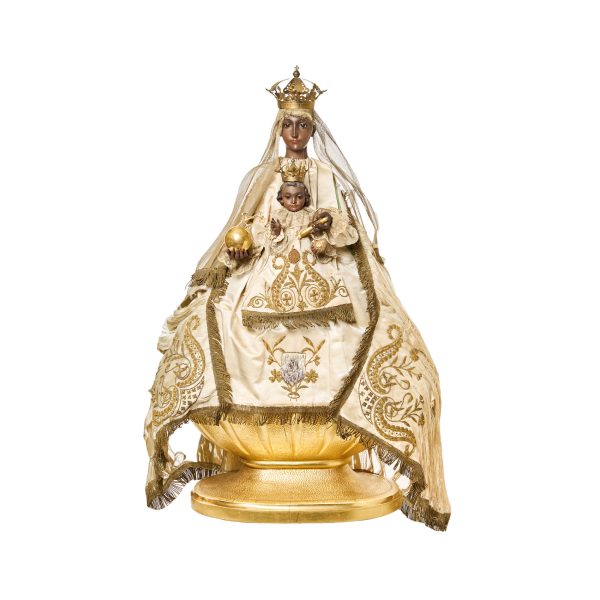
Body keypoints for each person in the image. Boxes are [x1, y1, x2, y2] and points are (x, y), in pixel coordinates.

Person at [144, 68, 451, 530]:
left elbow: (345, 226)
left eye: (302, 125)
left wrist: (326, 230)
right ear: (277, 128)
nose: (294, 133)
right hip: (265, 267)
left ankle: (337, 434)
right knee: (217, 315)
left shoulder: (326, 175)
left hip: (323, 265)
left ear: (312, 129)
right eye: (287, 125)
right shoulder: (262, 177)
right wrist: (240, 249)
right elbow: (246, 226)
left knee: (369, 324)